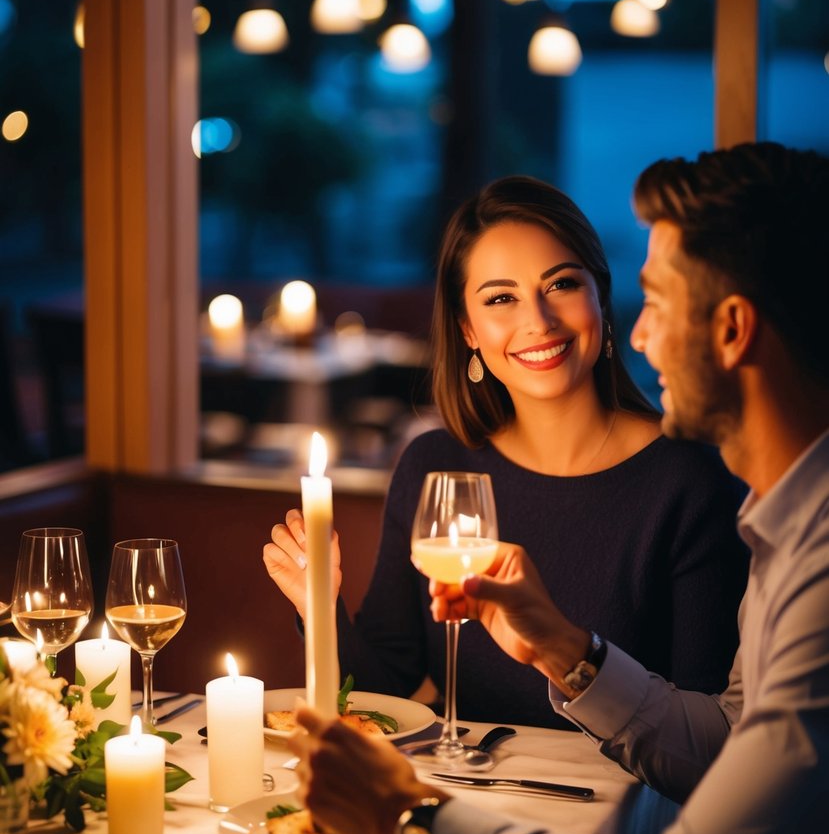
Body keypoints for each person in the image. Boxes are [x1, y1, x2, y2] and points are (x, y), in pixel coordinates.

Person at [290, 141, 829, 834]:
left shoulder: (778, 539)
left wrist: (412, 820)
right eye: (501, 299)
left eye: (650, 300)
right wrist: (567, 651)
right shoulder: (781, 524)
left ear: (729, 329)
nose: (641, 335)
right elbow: (727, 749)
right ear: (466, 329)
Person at [264, 176, 748, 726]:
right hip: (467, 800)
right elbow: (383, 695)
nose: (538, 322)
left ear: (600, 296)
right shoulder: (434, 467)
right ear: (468, 328)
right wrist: (319, 610)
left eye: (562, 284)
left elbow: (705, 731)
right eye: (501, 298)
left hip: (627, 806)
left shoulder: (689, 480)